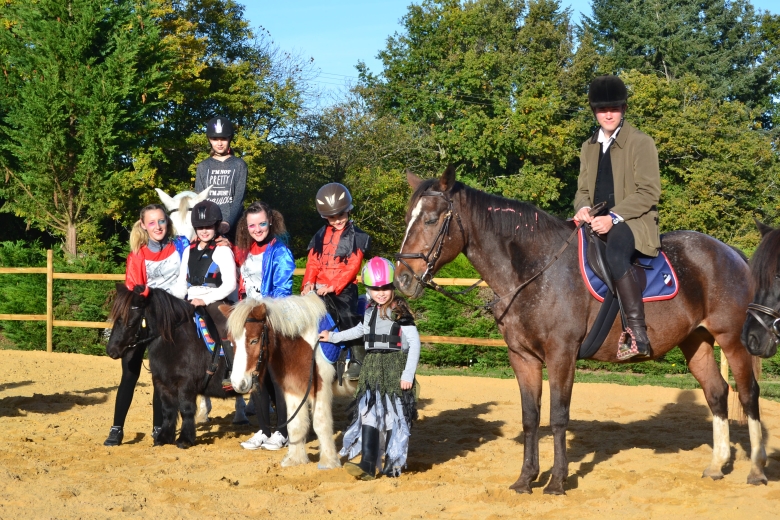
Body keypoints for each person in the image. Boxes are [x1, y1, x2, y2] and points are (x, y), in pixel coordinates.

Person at [573, 75, 661, 360]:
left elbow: (649, 192)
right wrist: (583, 208)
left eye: (614, 108)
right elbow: (583, 190)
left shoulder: (641, 143)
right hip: (595, 220)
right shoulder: (588, 146)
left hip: (633, 223)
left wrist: (614, 216)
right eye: (601, 109)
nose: (608, 114)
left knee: (615, 255)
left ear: (623, 109)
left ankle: (637, 334)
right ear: (594, 111)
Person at [319, 257, 420, 480]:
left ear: (392, 286)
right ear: (369, 290)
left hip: (394, 367)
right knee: (368, 413)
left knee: (394, 416)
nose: (381, 293)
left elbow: (414, 344)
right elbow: (358, 331)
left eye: (385, 288)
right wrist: (333, 336)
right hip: (372, 367)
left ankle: (393, 463)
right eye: (375, 289)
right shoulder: (370, 311)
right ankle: (367, 464)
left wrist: (407, 374)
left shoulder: (400, 311)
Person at [104, 204, 187, 446]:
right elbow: (133, 292)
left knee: (160, 378)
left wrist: (222, 236)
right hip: (143, 321)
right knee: (129, 375)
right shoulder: (137, 255)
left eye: (161, 221)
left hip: (170, 322)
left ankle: (158, 427)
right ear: (143, 225)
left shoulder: (181, 247)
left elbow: (204, 243)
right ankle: (117, 428)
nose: (158, 226)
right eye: (152, 222)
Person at [233, 201, 296, 451]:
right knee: (255, 376)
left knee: (274, 376)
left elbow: (283, 289)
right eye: (252, 225)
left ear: (270, 221)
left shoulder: (280, 251)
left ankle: (282, 432)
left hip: (271, 317)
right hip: (249, 320)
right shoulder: (244, 251)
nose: (257, 229)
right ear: (245, 227)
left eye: (261, 223)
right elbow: (242, 284)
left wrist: (263, 310)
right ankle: (262, 429)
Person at [302, 182, 370, 379]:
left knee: (348, 314)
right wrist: (308, 283)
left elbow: (353, 266)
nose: (338, 220)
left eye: (341, 215)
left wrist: (334, 286)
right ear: (325, 217)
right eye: (333, 217)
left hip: (344, 289)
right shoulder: (319, 236)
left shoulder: (356, 236)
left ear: (348, 210)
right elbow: (313, 262)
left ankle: (358, 359)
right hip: (320, 287)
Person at [174, 200, 236, 368]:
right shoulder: (188, 251)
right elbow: (182, 283)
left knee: (223, 323)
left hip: (216, 299)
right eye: (200, 227)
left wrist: (205, 300)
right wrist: (173, 301)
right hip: (191, 299)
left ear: (216, 226)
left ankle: (231, 369)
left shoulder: (223, 250)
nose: (204, 231)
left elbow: (230, 284)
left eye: (208, 226)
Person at [194, 117, 247, 239]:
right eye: (214, 139)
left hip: (234, 228)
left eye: (223, 138)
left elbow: (239, 199)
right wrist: (204, 226)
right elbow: (200, 201)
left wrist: (227, 222)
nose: (219, 143)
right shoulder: (202, 166)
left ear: (230, 138)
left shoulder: (239, 165)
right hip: (208, 228)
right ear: (209, 140)